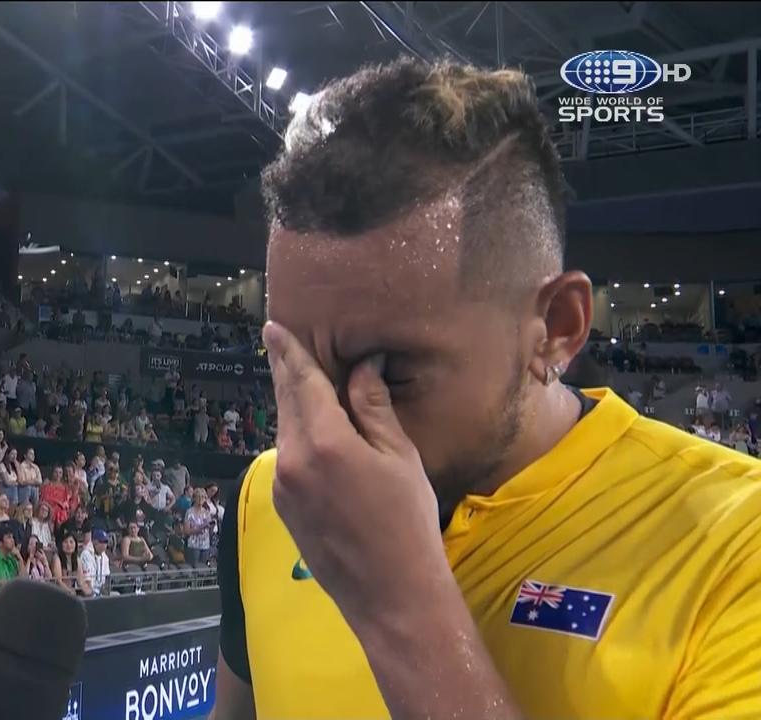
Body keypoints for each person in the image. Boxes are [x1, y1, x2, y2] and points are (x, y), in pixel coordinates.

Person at [214, 58, 761, 719]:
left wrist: (399, 609)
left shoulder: (737, 552)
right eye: (293, 364)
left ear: (557, 329)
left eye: (387, 372)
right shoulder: (271, 498)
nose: (323, 432)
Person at [50, 532, 88, 597]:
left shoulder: (77, 559)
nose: (69, 545)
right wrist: (70, 593)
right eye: (65, 542)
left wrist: (89, 592)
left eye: (71, 542)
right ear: (61, 544)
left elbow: (80, 581)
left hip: (72, 593)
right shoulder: (57, 558)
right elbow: (58, 582)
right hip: (59, 594)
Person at [183, 488, 213, 568]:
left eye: (203, 497)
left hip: (205, 544)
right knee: (194, 567)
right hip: (193, 545)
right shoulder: (189, 512)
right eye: (198, 497)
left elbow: (209, 528)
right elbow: (186, 531)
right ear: (194, 498)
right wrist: (199, 529)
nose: (201, 499)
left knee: (203, 567)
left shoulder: (207, 512)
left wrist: (211, 526)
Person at [78, 529, 111, 598]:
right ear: (94, 541)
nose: (104, 545)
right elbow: (87, 580)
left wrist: (105, 593)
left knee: (116, 596)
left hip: (99, 592)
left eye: (106, 542)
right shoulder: (86, 554)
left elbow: (107, 578)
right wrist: (94, 595)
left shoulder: (105, 557)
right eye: (101, 542)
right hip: (86, 593)